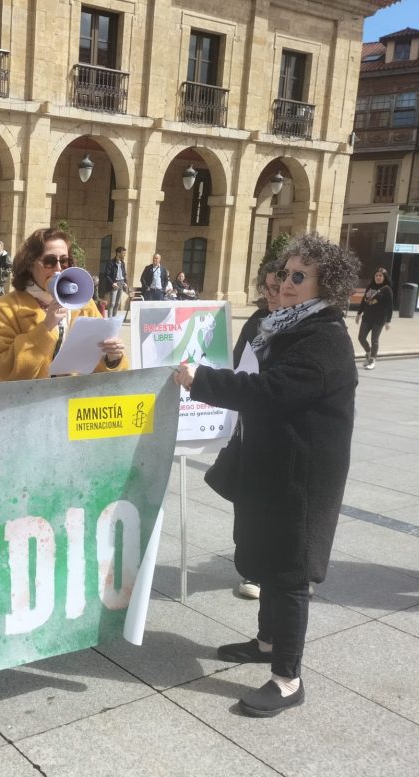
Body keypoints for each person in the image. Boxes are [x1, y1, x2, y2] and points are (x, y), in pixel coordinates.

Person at [174, 233, 359, 718]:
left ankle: (287, 678)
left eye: (300, 276)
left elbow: (272, 390)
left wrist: (200, 379)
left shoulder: (324, 336)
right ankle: (265, 643)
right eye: (285, 273)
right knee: (266, 558)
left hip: (303, 475)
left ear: (326, 284)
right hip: (272, 464)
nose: (287, 282)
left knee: (290, 572)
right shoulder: (283, 326)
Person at [0, 227, 128, 381]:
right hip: (28, 395)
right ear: (30, 264)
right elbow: (4, 368)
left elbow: (95, 365)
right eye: (49, 261)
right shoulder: (6, 307)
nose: (58, 268)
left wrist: (112, 358)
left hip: (72, 394)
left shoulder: (84, 304)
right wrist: (46, 327)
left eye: (64, 261)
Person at [228, 257, 284, 602]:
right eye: (268, 288)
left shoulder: (307, 325)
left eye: (279, 287)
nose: (273, 294)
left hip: (289, 427)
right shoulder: (256, 322)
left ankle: (288, 571)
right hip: (253, 423)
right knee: (249, 500)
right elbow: (237, 362)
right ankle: (252, 568)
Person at [355, 267, 393, 370]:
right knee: (361, 338)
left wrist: (388, 321)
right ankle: (369, 353)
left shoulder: (387, 289)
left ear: (384, 277)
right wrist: (358, 313)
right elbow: (364, 300)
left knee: (374, 340)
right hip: (367, 317)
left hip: (379, 319)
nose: (378, 277)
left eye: (380, 276)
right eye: (376, 275)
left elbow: (390, 306)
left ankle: (372, 360)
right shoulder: (370, 286)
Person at [99, 246, 129, 317]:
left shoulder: (122, 263)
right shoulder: (111, 263)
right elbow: (107, 275)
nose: (124, 255)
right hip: (115, 283)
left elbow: (124, 274)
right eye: (123, 253)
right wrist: (112, 283)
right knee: (112, 303)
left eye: (125, 253)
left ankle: (114, 318)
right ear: (118, 253)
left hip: (121, 283)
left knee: (117, 303)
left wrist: (125, 282)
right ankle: (110, 319)